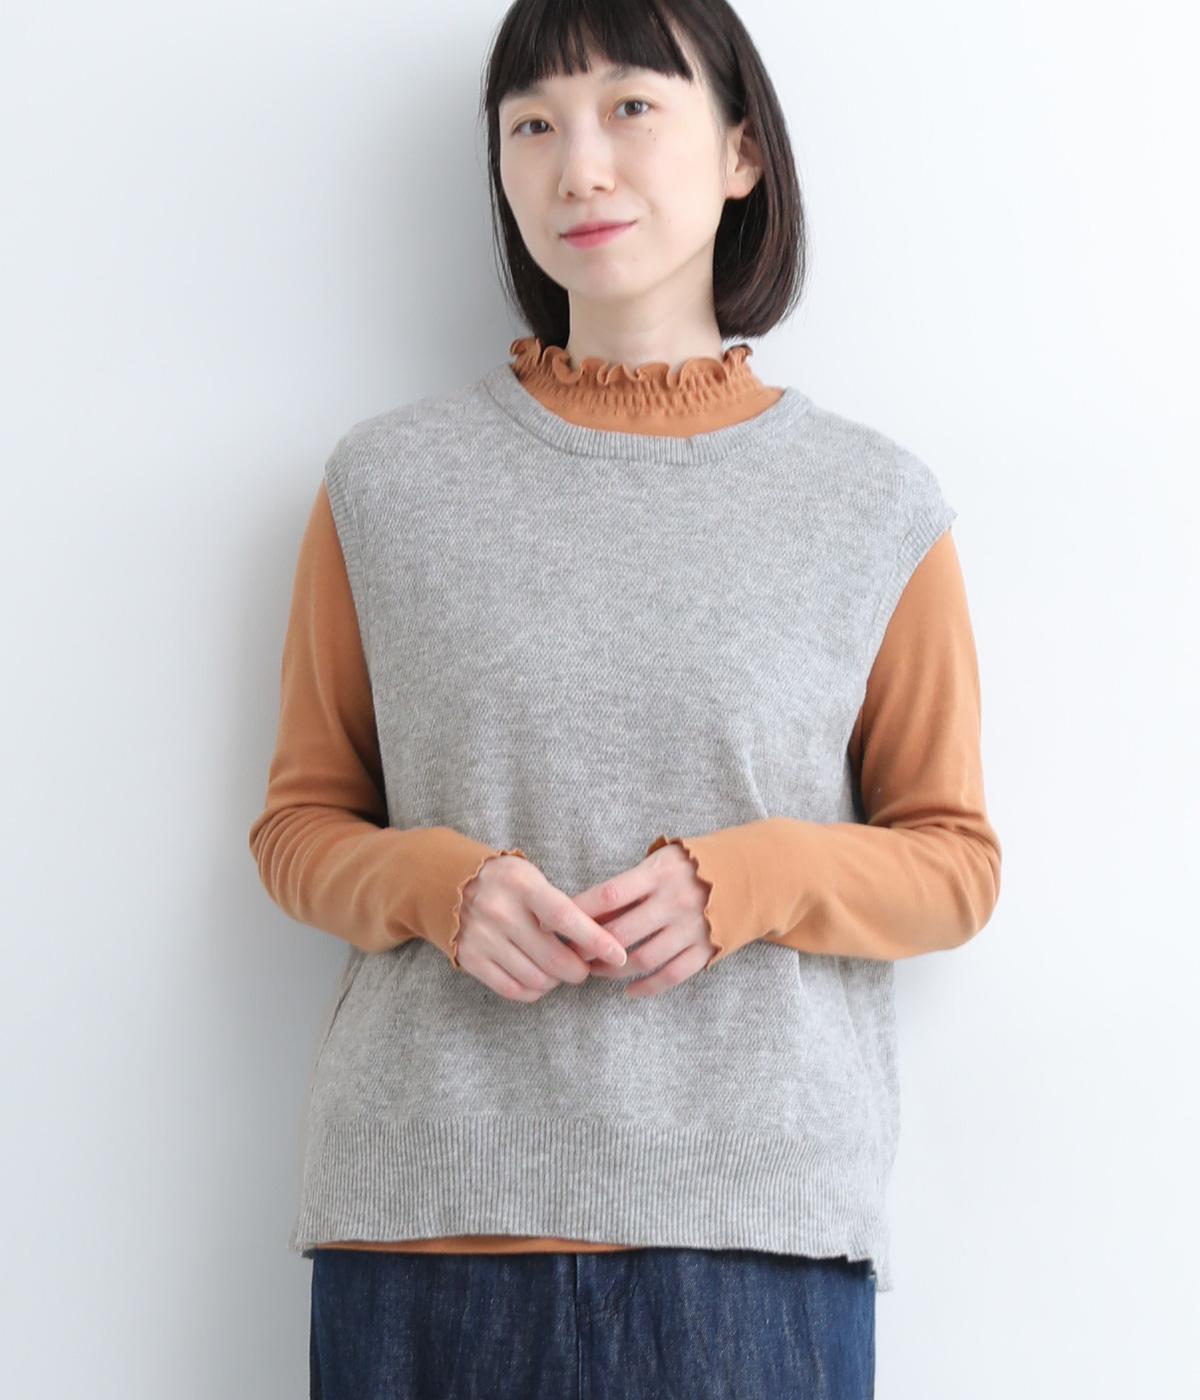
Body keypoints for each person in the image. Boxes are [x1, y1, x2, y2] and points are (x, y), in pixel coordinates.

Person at [248, 0, 1002, 1395]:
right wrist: (438, 885)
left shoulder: (872, 502)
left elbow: (954, 869)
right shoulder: (386, 486)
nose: (577, 165)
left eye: (630, 107)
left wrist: (755, 877)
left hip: (754, 1243)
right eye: (532, 125)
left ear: (742, 153)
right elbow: (299, 826)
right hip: (424, 1220)